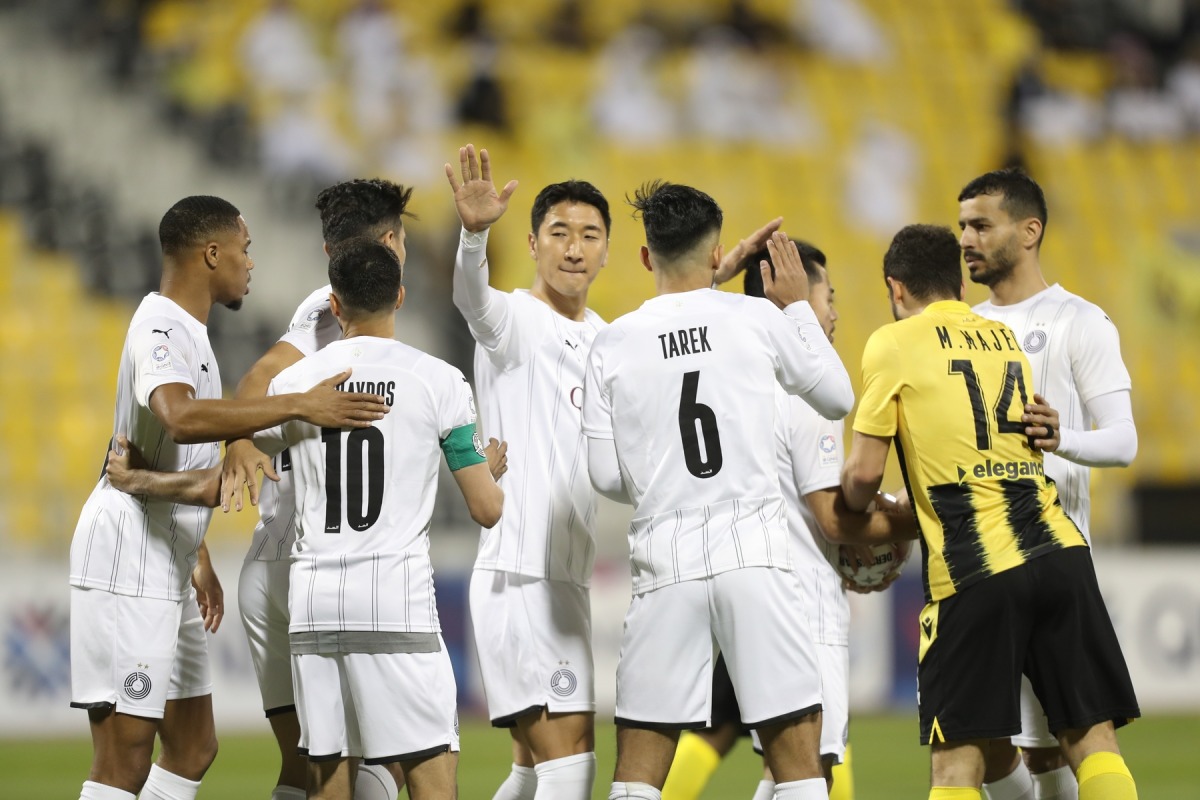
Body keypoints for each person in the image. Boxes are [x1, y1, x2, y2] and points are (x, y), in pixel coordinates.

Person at [115, 178, 446, 800]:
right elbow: (261, 378)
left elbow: (259, 380)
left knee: (308, 768)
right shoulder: (331, 310)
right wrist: (241, 442)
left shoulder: (325, 312)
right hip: (327, 570)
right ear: (392, 243)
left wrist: (242, 443)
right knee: (382, 764)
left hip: (281, 569)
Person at [840, 223, 1140, 800]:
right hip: (1060, 550)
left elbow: (862, 474)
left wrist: (858, 515)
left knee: (957, 764)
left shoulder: (893, 342)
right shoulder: (1003, 339)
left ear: (894, 288)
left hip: (974, 571)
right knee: (1091, 738)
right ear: (956, 281)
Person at [582, 181, 856, 800]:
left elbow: (603, 476)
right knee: (797, 765)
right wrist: (794, 311)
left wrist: (662, 478)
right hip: (754, 552)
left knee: (640, 771)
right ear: (717, 256)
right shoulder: (758, 317)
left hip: (665, 557)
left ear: (647, 257)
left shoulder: (615, 341)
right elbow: (838, 395)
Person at [249, 237, 503, 800]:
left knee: (328, 781)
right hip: (395, 599)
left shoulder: (292, 386)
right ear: (401, 297)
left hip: (313, 602)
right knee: (432, 777)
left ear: (334, 306)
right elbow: (486, 508)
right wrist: (490, 470)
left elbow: (251, 438)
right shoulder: (438, 381)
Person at [663, 241, 910, 800]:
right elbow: (831, 522)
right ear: (790, 297)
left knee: (784, 767)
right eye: (828, 296)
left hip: (747, 589)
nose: (834, 312)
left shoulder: (735, 375)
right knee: (811, 769)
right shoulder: (810, 387)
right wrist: (913, 521)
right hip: (802, 601)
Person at [956, 169, 1139, 800]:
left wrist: (1064, 439)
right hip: (982, 568)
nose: (966, 239)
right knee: (1019, 755)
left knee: (1075, 742)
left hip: (1054, 554)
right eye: (962, 227)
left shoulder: (1079, 321)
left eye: (981, 225)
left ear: (1029, 231)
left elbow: (1123, 440)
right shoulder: (962, 328)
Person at [443, 143, 607, 800]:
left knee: (537, 767)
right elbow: (470, 298)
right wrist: (474, 236)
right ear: (535, 245)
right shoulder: (514, 320)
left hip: (564, 574)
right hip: (520, 571)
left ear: (606, 250)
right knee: (571, 763)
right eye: (559, 234)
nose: (574, 249)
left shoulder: (606, 338)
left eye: (589, 235)